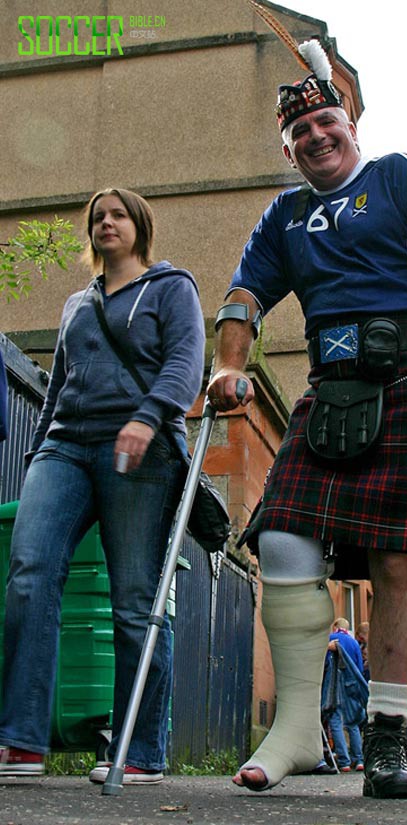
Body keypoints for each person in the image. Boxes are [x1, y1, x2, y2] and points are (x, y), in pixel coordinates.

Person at [206, 43, 407, 799]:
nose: (315, 138)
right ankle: (299, 728)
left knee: (397, 559)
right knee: (279, 531)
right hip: (332, 385)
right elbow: (243, 295)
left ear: (349, 125)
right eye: (299, 135)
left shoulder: (399, 174)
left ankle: (387, 738)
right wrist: (228, 363)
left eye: (326, 122)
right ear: (289, 149)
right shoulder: (286, 213)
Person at [0, 189, 204, 783]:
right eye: (97, 218)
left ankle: (139, 751)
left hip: (140, 447)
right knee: (29, 574)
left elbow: (186, 362)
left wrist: (147, 416)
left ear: (139, 226)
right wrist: (40, 452)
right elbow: (57, 386)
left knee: (134, 602)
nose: (105, 224)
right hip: (65, 446)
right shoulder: (74, 304)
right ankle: (20, 741)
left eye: (117, 215)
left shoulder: (172, 288)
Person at [324, 618, 368, 772]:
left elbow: (324, 663)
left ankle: (344, 761)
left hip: (334, 685)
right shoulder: (354, 643)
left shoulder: (330, 639)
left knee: (335, 720)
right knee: (353, 722)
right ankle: (359, 759)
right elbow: (360, 668)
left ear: (335, 626)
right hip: (351, 685)